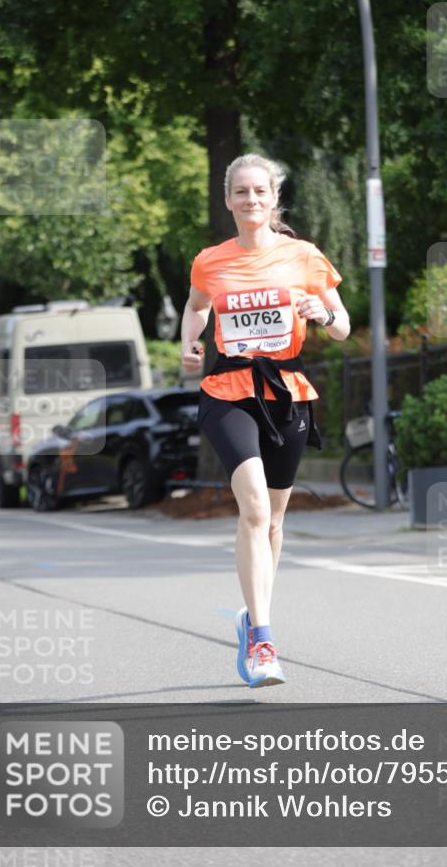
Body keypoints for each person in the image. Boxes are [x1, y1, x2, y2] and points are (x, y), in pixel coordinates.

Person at [181, 153, 350, 688]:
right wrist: (189, 343)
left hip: (286, 392)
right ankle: (263, 639)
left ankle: (251, 616)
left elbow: (342, 325)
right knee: (254, 508)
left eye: (260, 191)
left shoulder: (305, 256)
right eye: (241, 191)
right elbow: (196, 307)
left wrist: (323, 314)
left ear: (274, 198)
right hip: (228, 391)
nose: (250, 199)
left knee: (274, 520)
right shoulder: (210, 260)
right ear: (228, 200)